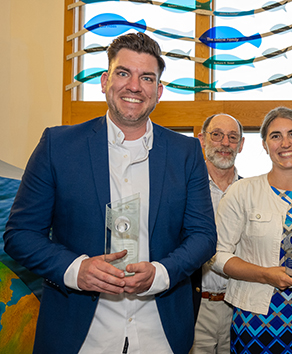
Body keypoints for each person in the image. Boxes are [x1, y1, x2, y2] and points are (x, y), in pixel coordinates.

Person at [3, 32, 217, 354]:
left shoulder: (186, 152)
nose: (134, 86)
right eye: (123, 73)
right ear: (105, 81)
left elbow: (203, 236)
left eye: (146, 78)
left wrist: (160, 273)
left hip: (161, 333)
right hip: (77, 333)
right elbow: (20, 234)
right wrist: (77, 269)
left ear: (158, 91)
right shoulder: (58, 146)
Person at [212, 107, 292, 354]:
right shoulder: (241, 192)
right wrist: (265, 275)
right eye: (275, 136)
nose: (285, 143)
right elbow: (218, 256)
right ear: (264, 144)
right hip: (256, 321)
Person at [191, 113, 245, 354]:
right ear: (202, 139)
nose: (225, 143)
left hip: (240, 309)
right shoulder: (185, 188)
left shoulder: (251, 192)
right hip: (195, 308)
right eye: (217, 135)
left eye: (232, 137)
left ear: (241, 145)